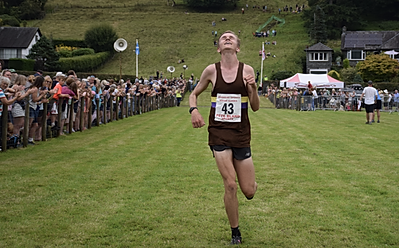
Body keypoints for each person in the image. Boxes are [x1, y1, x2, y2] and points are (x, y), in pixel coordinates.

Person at [189, 30, 259, 245]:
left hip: (241, 133)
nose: (227, 39)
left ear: (237, 47)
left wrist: (253, 89)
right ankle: (235, 232)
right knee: (230, 184)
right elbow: (193, 94)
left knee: (248, 191)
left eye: (232, 38)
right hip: (218, 132)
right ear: (219, 48)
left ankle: (251, 185)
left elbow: (255, 107)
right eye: (223, 38)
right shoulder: (211, 70)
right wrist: (194, 110)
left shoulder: (247, 70)